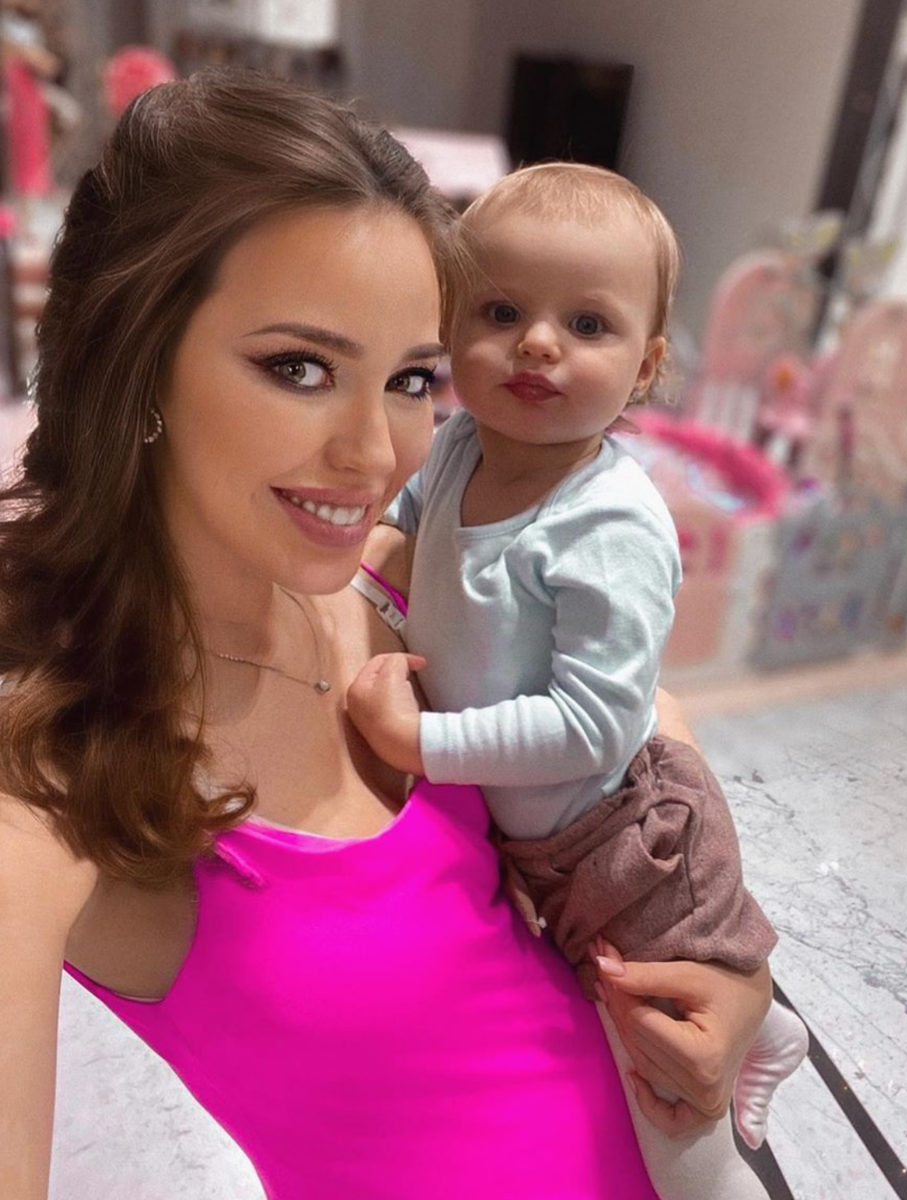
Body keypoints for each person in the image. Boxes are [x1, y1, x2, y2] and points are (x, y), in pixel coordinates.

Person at [0, 70, 775, 1200]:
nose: (377, 455)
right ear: (135, 358)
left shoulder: (386, 576)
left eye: (413, 378)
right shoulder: (52, 764)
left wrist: (719, 958)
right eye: (299, 368)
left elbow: (641, 707)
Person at [347, 163, 810, 1198]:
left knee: (668, 1103)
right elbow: (402, 531)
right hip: (545, 845)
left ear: (645, 366)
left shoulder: (610, 524)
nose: (539, 344)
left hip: (628, 844)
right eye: (502, 312)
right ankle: (774, 1023)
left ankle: (751, 1076)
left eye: (587, 324)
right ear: (450, 326)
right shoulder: (458, 448)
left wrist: (423, 744)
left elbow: (596, 725)